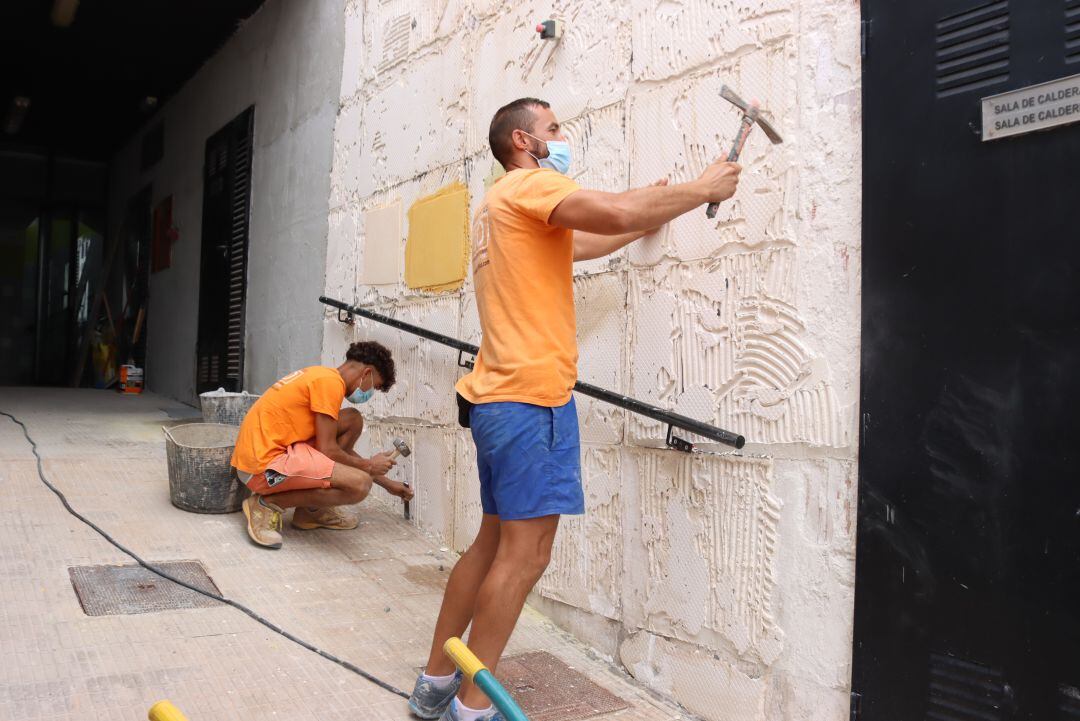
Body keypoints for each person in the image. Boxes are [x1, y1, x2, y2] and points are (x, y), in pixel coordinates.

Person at [407, 98, 742, 721]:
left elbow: (592, 235)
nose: (563, 138)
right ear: (522, 141)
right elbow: (610, 207)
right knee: (527, 555)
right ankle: (474, 710)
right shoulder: (532, 183)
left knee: (489, 546)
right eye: (553, 129)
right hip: (532, 401)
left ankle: (434, 685)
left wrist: (650, 212)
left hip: (495, 400)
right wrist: (702, 189)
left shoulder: (495, 208)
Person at [231, 340, 414, 549]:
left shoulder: (322, 376)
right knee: (360, 484)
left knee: (353, 419)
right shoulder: (329, 384)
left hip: (275, 453)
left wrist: (389, 484)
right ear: (366, 374)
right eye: (375, 386)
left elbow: (334, 451)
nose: (370, 393)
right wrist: (370, 467)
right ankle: (266, 505)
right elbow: (328, 451)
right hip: (262, 469)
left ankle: (311, 511)